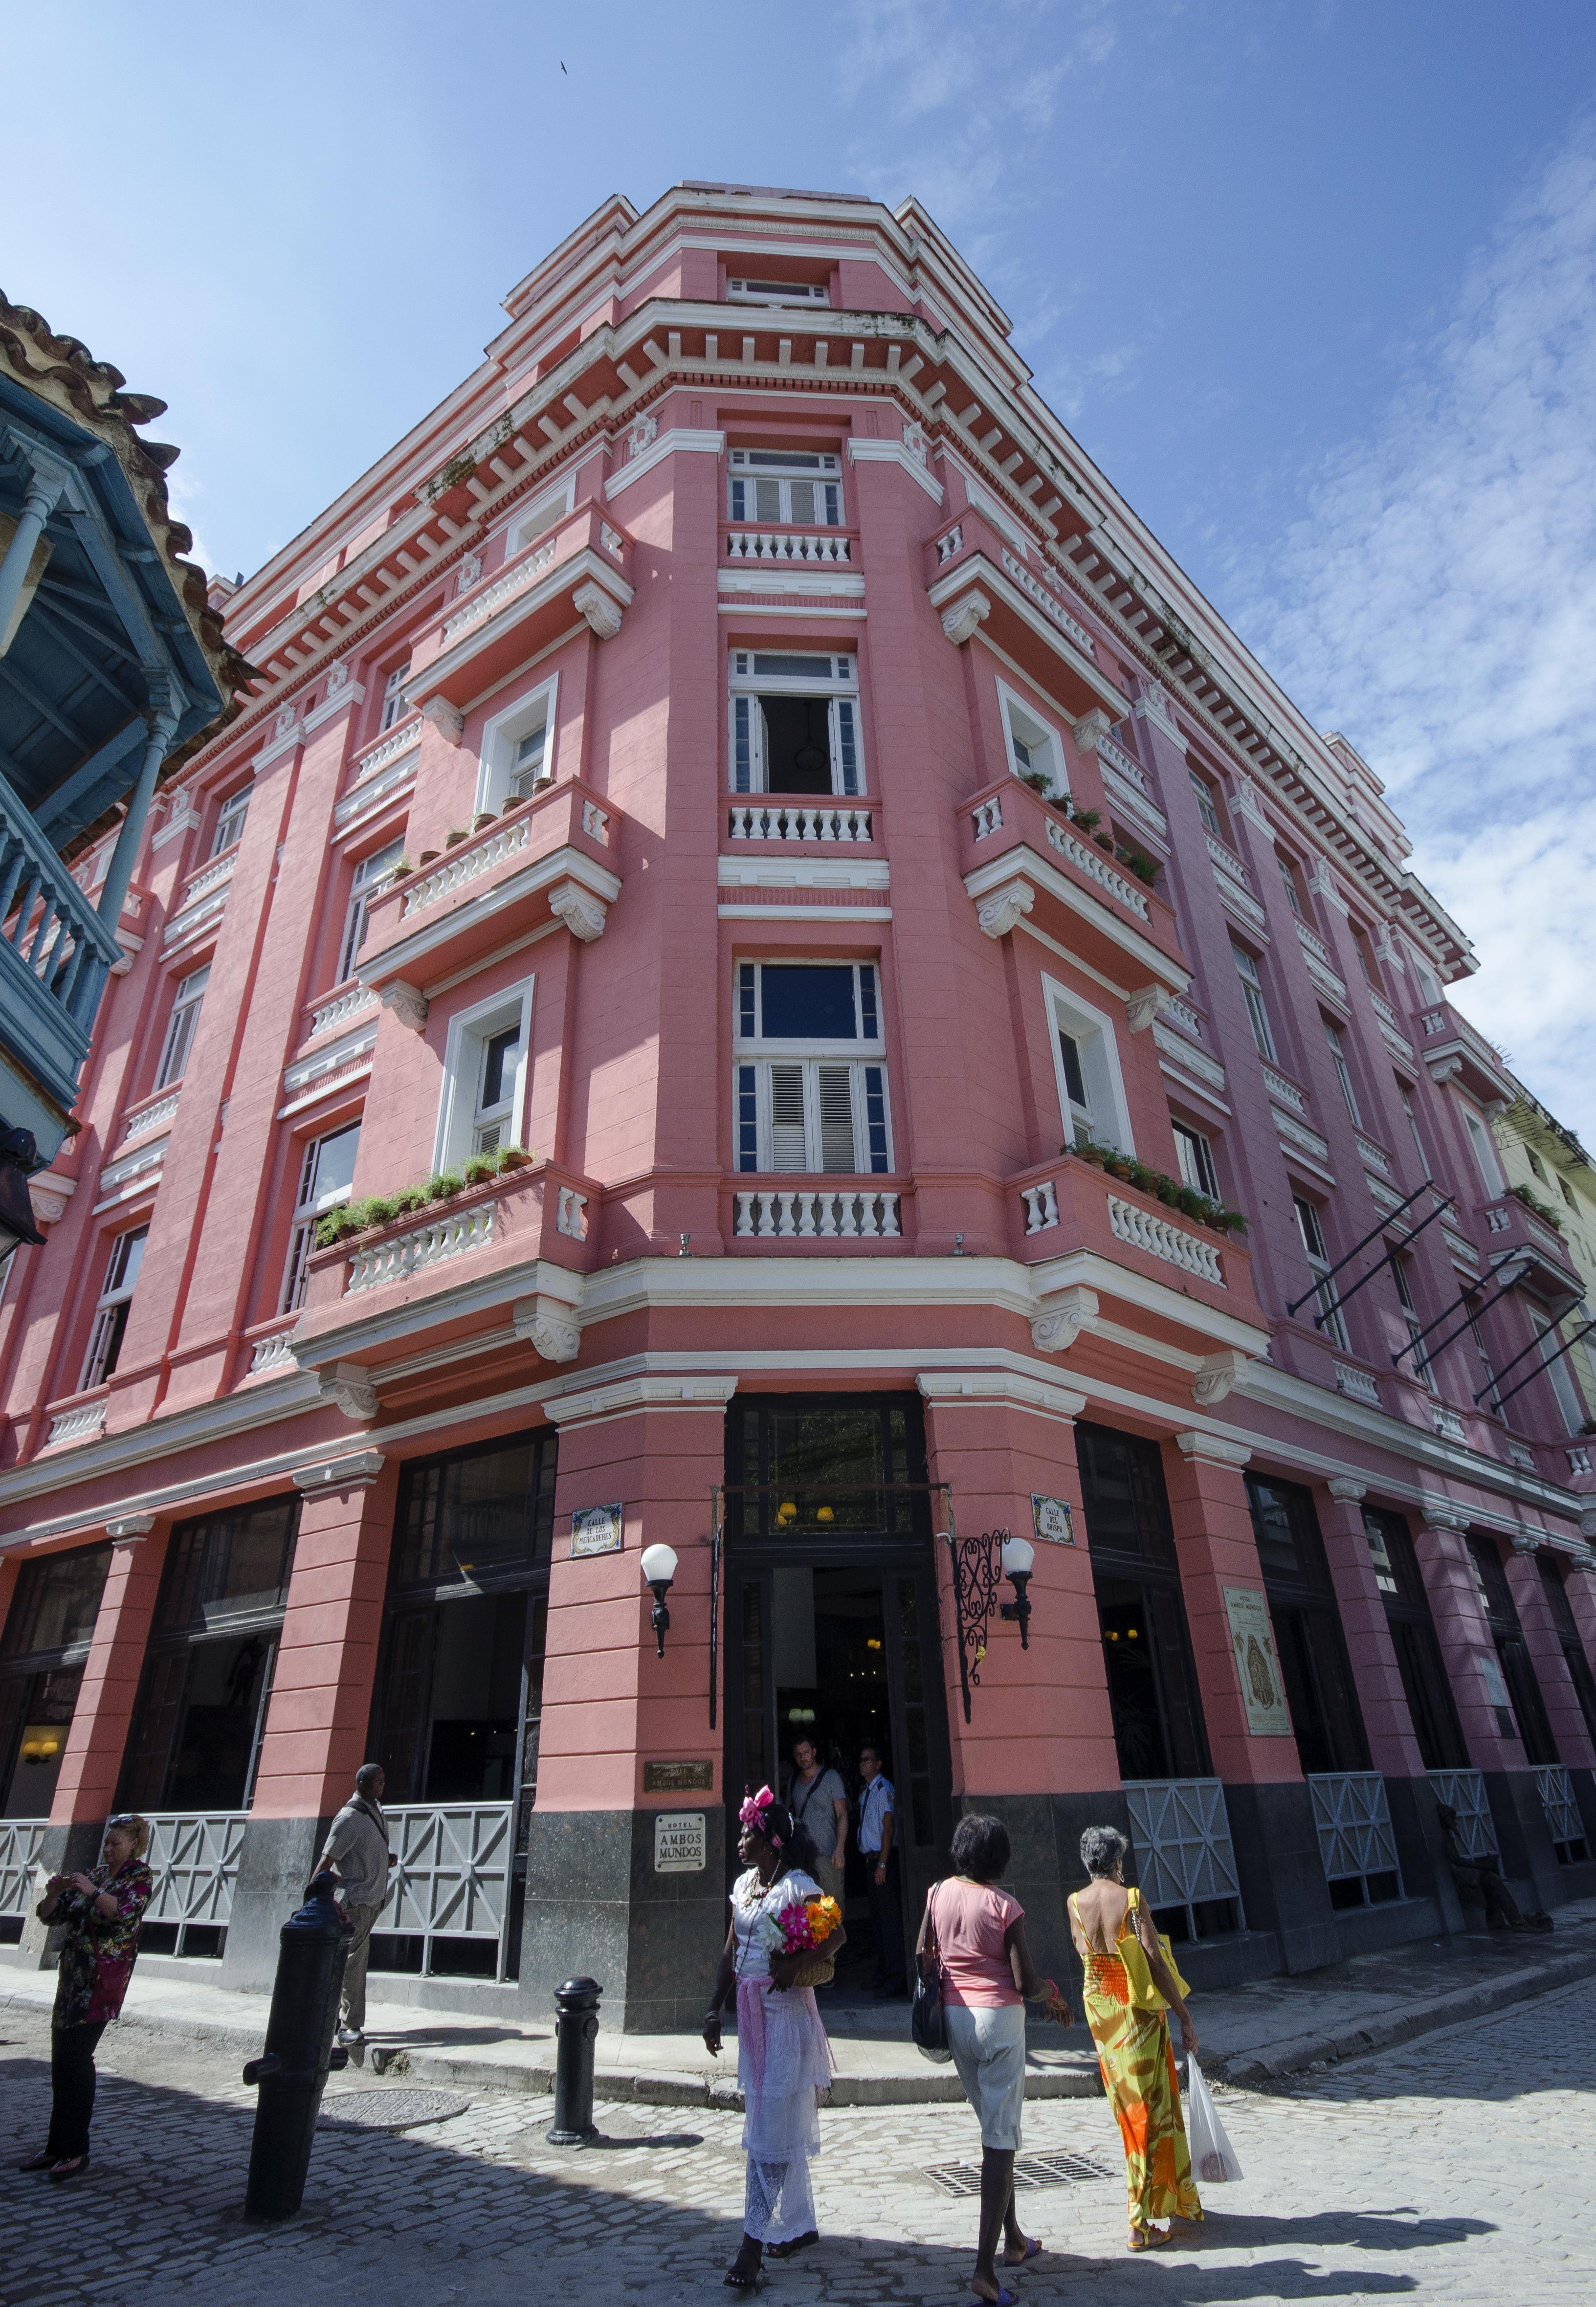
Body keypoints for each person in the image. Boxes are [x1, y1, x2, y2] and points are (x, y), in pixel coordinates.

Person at [917, 1814, 1072, 2307]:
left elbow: (924, 1951)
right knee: (1000, 2142)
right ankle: (984, 2269)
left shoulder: (937, 1892)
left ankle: (1016, 2238)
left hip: (954, 2017)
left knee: (993, 2131)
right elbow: (1024, 1982)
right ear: (1001, 1858)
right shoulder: (1006, 1905)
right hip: (999, 2021)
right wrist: (1053, 1993)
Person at [704, 1785, 844, 2289]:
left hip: (786, 2019)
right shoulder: (745, 1885)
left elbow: (837, 1933)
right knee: (774, 2119)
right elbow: (730, 1950)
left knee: (767, 2130)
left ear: (772, 1841)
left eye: (749, 1832)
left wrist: (795, 1964)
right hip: (750, 2017)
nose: (741, 1839)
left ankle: (751, 2244)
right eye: (743, 1832)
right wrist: (713, 2008)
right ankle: (800, 2223)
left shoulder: (798, 1884)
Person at [1067, 1824, 1202, 2252]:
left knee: (1129, 2112)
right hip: (1137, 2014)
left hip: (1103, 2016)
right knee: (1150, 2111)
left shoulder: (1074, 1903)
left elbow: (1084, 1953)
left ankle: (1157, 2201)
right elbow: (1154, 1962)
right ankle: (1139, 2220)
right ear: (1117, 1862)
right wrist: (1184, 2015)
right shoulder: (1131, 1898)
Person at [20, 1812, 155, 2180]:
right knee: (61, 2064)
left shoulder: (138, 1878)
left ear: (133, 1846)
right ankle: (55, 2147)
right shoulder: (94, 1875)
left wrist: (91, 1892)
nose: (109, 1849)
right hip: (72, 1980)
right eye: (107, 1844)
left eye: (116, 1844)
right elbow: (50, 1918)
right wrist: (52, 1894)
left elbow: (123, 1914)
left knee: (78, 2061)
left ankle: (76, 2151)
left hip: (100, 1984)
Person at [316, 1761, 395, 2044]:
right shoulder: (348, 1817)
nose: (382, 1785)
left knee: (350, 1961)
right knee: (354, 1963)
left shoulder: (376, 1810)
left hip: (373, 1899)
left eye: (383, 1781)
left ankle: (335, 2018)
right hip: (356, 1901)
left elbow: (363, 1851)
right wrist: (312, 1895)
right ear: (362, 1784)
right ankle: (350, 2026)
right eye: (378, 1781)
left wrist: (385, 1860)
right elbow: (328, 1859)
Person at [1436, 1803, 1552, 1932]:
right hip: (1456, 1879)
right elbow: (1456, 1860)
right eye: (1453, 1819)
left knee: (1491, 1880)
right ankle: (1516, 1920)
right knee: (1492, 1879)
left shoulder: (1446, 1834)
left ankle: (1497, 1921)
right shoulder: (1441, 1836)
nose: (1456, 1822)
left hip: (1458, 1875)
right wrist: (1480, 1866)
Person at [857, 1742, 907, 1996]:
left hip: (882, 1861)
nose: (863, 1763)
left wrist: (883, 1864)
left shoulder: (883, 1789)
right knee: (877, 1922)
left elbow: (888, 1829)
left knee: (889, 1922)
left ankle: (896, 1978)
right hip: (870, 1861)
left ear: (878, 1764)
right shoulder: (866, 1792)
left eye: (868, 1759)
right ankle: (883, 1972)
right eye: (861, 1760)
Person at [787, 1735, 847, 1908]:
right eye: (798, 1754)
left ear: (814, 1752)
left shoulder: (831, 1778)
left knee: (832, 1910)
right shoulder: (793, 1783)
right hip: (803, 1859)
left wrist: (840, 1849)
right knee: (807, 1910)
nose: (802, 1757)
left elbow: (842, 1814)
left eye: (806, 1752)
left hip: (829, 1856)